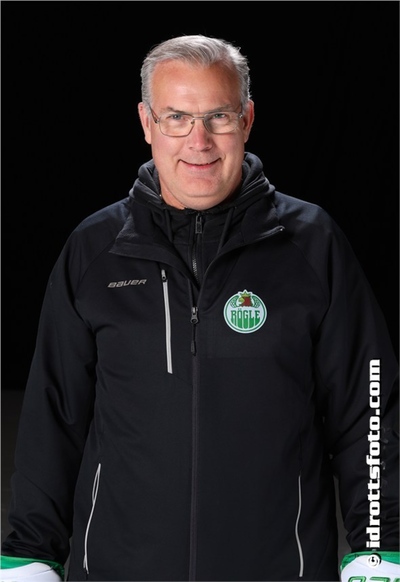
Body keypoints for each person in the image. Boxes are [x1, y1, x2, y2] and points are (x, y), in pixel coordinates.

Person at [1, 34, 399, 582]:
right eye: (176, 118)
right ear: (146, 123)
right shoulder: (94, 251)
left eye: (219, 116)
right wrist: (29, 552)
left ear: (248, 119)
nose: (199, 140)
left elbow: (367, 409)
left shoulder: (313, 246)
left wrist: (381, 544)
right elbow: (54, 415)